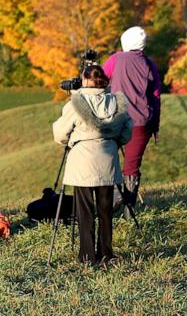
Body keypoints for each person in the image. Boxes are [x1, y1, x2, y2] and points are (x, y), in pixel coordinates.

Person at [52, 65, 133, 265]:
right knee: (105, 211)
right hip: (108, 161)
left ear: (85, 80)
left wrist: (72, 142)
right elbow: (127, 130)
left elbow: (60, 133)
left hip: (82, 163)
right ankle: (106, 253)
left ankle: (87, 256)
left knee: (85, 211)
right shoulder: (116, 101)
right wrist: (113, 143)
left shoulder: (75, 104)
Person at [102, 26, 162, 207]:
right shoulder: (150, 64)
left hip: (116, 120)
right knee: (132, 166)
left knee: (107, 158)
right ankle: (129, 211)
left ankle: (110, 201)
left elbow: (98, 81)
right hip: (142, 122)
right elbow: (156, 96)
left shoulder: (116, 59)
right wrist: (155, 125)